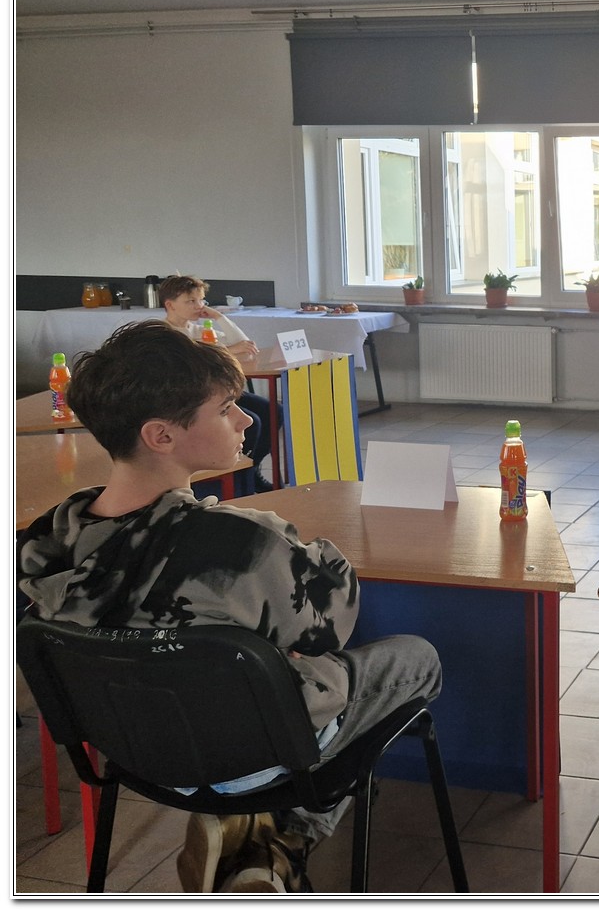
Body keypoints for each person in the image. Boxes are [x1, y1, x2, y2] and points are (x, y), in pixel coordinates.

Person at [16, 321, 443, 893]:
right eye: (225, 409)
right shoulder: (243, 543)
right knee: (418, 658)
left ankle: (255, 839)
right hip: (253, 761)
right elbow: (328, 627)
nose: (246, 420)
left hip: (131, 753)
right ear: (161, 435)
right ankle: (282, 839)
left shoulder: (48, 541)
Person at [159, 274, 274, 492]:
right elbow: (188, 365)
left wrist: (219, 317)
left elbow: (244, 344)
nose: (199, 306)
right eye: (190, 301)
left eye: (201, 300)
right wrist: (228, 351)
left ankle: (252, 469)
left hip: (218, 392)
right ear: (170, 305)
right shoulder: (164, 332)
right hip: (191, 397)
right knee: (254, 422)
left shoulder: (200, 330)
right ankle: (238, 477)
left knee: (273, 410)